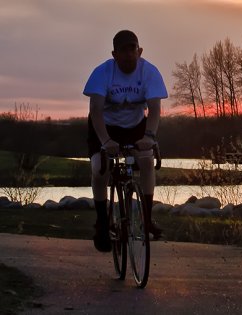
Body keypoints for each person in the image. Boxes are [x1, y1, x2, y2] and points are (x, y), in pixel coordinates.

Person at [83, 30, 168, 252]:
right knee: (99, 168)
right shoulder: (102, 73)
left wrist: (149, 137)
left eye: (133, 49)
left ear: (139, 51)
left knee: (147, 162)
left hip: (136, 124)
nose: (129, 55)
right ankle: (102, 222)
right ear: (114, 54)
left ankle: (147, 219)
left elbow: (155, 109)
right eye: (124, 50)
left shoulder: (149, 72)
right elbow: (96, 111)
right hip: (105, 125)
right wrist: (106, 141)